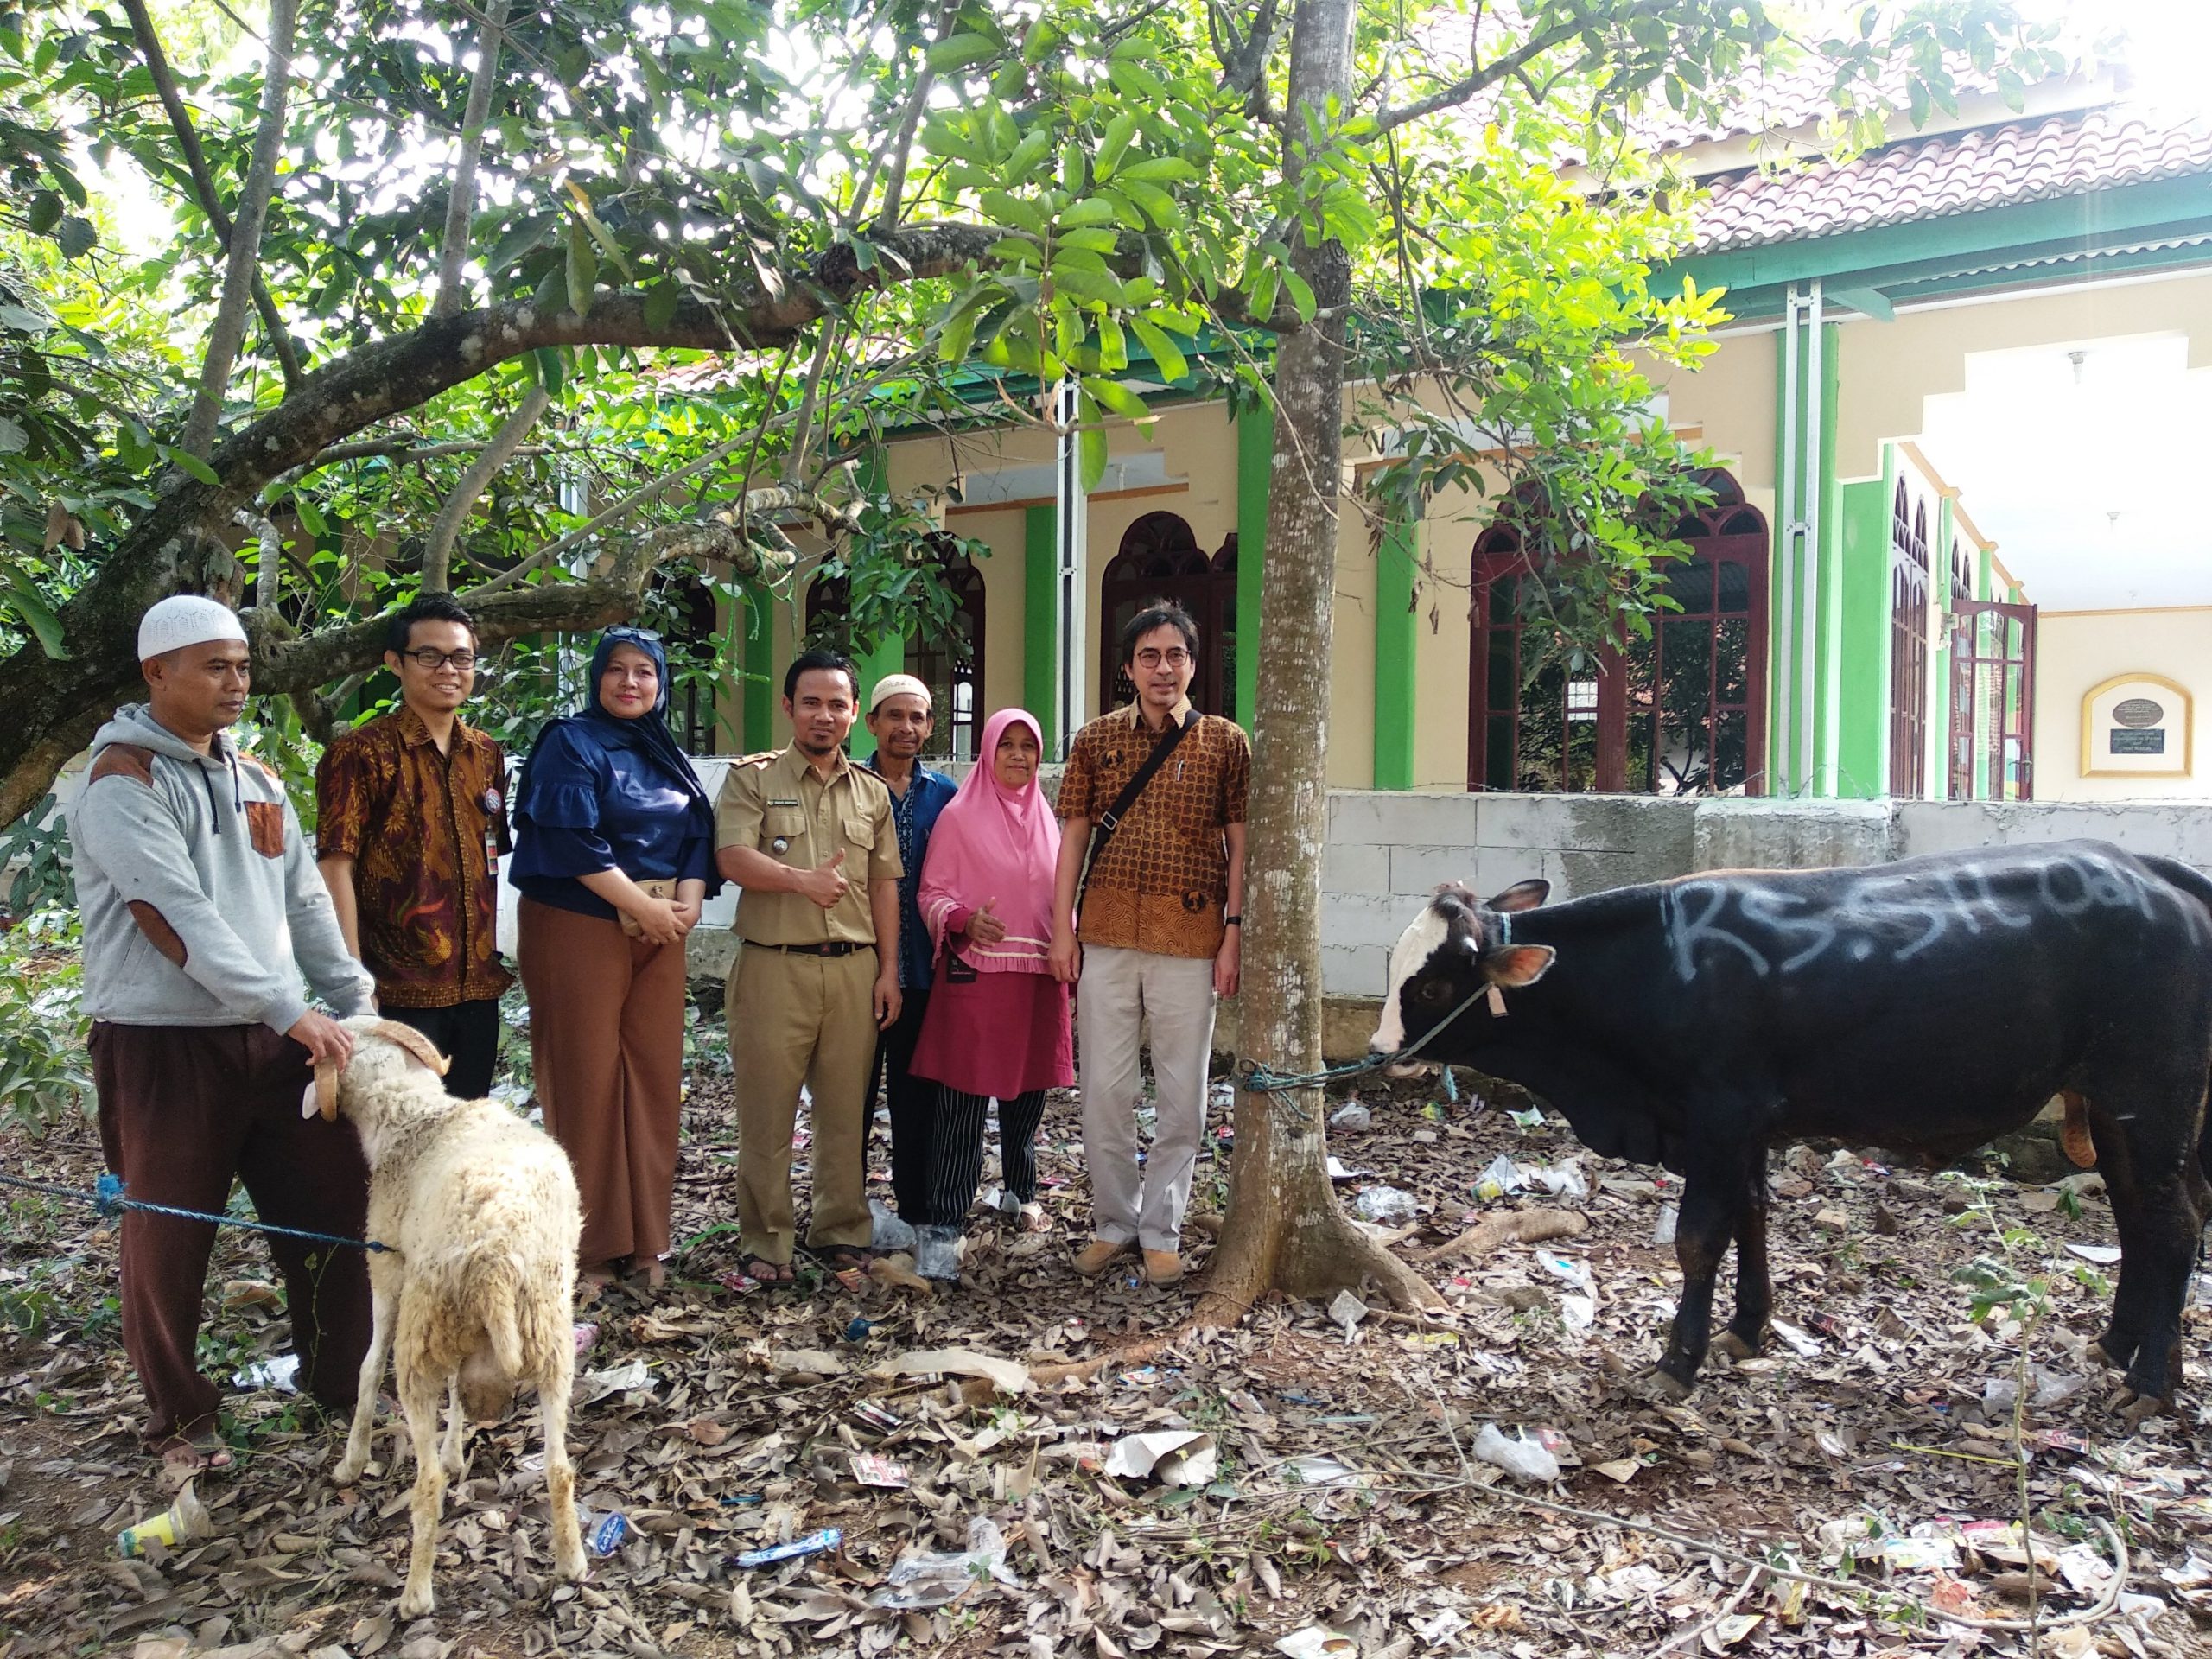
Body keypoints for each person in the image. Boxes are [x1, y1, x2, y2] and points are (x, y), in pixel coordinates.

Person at [70, 594, 377, 1478]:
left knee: (334, 1212)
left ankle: (339, 1389)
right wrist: (292, 1009)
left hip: (281, 1046)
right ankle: (180, 1421)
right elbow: (179, 917)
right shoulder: (120, 782)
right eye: (213, 665)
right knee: (166, 1238)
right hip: (164, 1045)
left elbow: (303, 899)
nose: (235, 681)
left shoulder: (257, 779)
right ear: (156, 673)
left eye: (242, 665)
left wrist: (351, 993)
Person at [509, 627, 717, 1294]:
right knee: (587, 1083)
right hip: (582, 923)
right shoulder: (570, 742)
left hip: (661, 931)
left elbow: (696, 835)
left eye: (645, 673)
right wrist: (643, 907)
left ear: (661, 683)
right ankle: (590, 1248)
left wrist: (685, 905)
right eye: (618, 671)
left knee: (653, 1081)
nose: (631, 683)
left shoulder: (664, 753)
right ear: (598, 677)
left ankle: (646, 1242)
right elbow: (573, 840)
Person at [1049, 601, 1249, 1287]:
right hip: (1104, 934)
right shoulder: (1096, 739)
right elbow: (1073, 834)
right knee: (1104, 1090)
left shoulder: (1225, 741)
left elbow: (1239, 843)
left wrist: (1234, 932)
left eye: (1176, 656)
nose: (1164, 669)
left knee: (1182, 1094)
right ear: (1129, 666)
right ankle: (1113, 1222)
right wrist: (1060, 928)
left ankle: (1162, 1227)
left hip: (1192, 940)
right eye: (1149, 656)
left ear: (1194, 663)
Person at [715, 648, 903, 1285]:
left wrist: (888, 971)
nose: (825, 715)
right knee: (768, 1113)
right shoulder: (753, 780)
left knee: (845, 1110)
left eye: (838, 705)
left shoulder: (872, 793)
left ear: (855, 715)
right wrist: (800, 882)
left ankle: (840, 1230)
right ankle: (766, 1243)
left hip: (853, 970)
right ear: (790, 707)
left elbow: (884, 887)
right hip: (774, 967)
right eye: (812, 702)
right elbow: (732, 858)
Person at [315, 592, 511, 1098]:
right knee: (399, 1141)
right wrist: (355, 987)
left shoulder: (486, 754)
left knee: (464, 1134)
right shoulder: (360, 754)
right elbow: (335, 867)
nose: (448, 669)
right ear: (395, 664)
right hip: (395, 992)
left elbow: (490, 858)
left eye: (461, 657)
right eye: (430, 656)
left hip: (477, 988)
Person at [906, 709, 1073, 1281]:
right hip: (977, 977)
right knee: (963, 1100)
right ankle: (948, 1218)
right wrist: (961, 920)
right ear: (988, 752)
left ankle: (1020, 1192)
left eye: (1030, 746)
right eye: (1009, 745)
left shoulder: (1048, 820)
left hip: (1037, 976)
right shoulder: (959, 817)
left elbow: (1062, 894)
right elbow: (930, 892)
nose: (1020, 756)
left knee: (1027, 1092)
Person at [859, 673, 957, 1243]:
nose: (907, 727)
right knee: (853, 1096)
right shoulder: (846, 784)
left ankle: (917, 1210)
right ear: (871, 722)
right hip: (855, 968)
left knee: (917, 1099)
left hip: (921, 970)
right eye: (895, 716)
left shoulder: (944, 795)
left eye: (918, 717)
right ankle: (845, 1212)